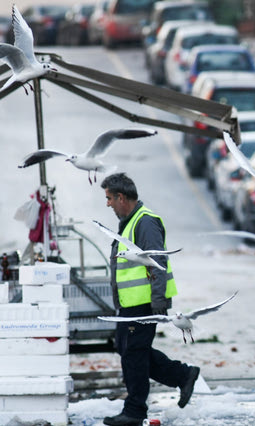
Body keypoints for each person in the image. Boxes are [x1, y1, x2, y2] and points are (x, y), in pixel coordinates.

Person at [100, 173, 200, 426]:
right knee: (128, 349)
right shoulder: (130, 221)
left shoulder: (144, 222)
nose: (108, 204)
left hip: (144, 304)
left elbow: (158, 263)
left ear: (121, 197)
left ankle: (134, 411)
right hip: (130, 303)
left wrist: (158, 301)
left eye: (110, 198)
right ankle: (183, 375)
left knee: (133, 353)